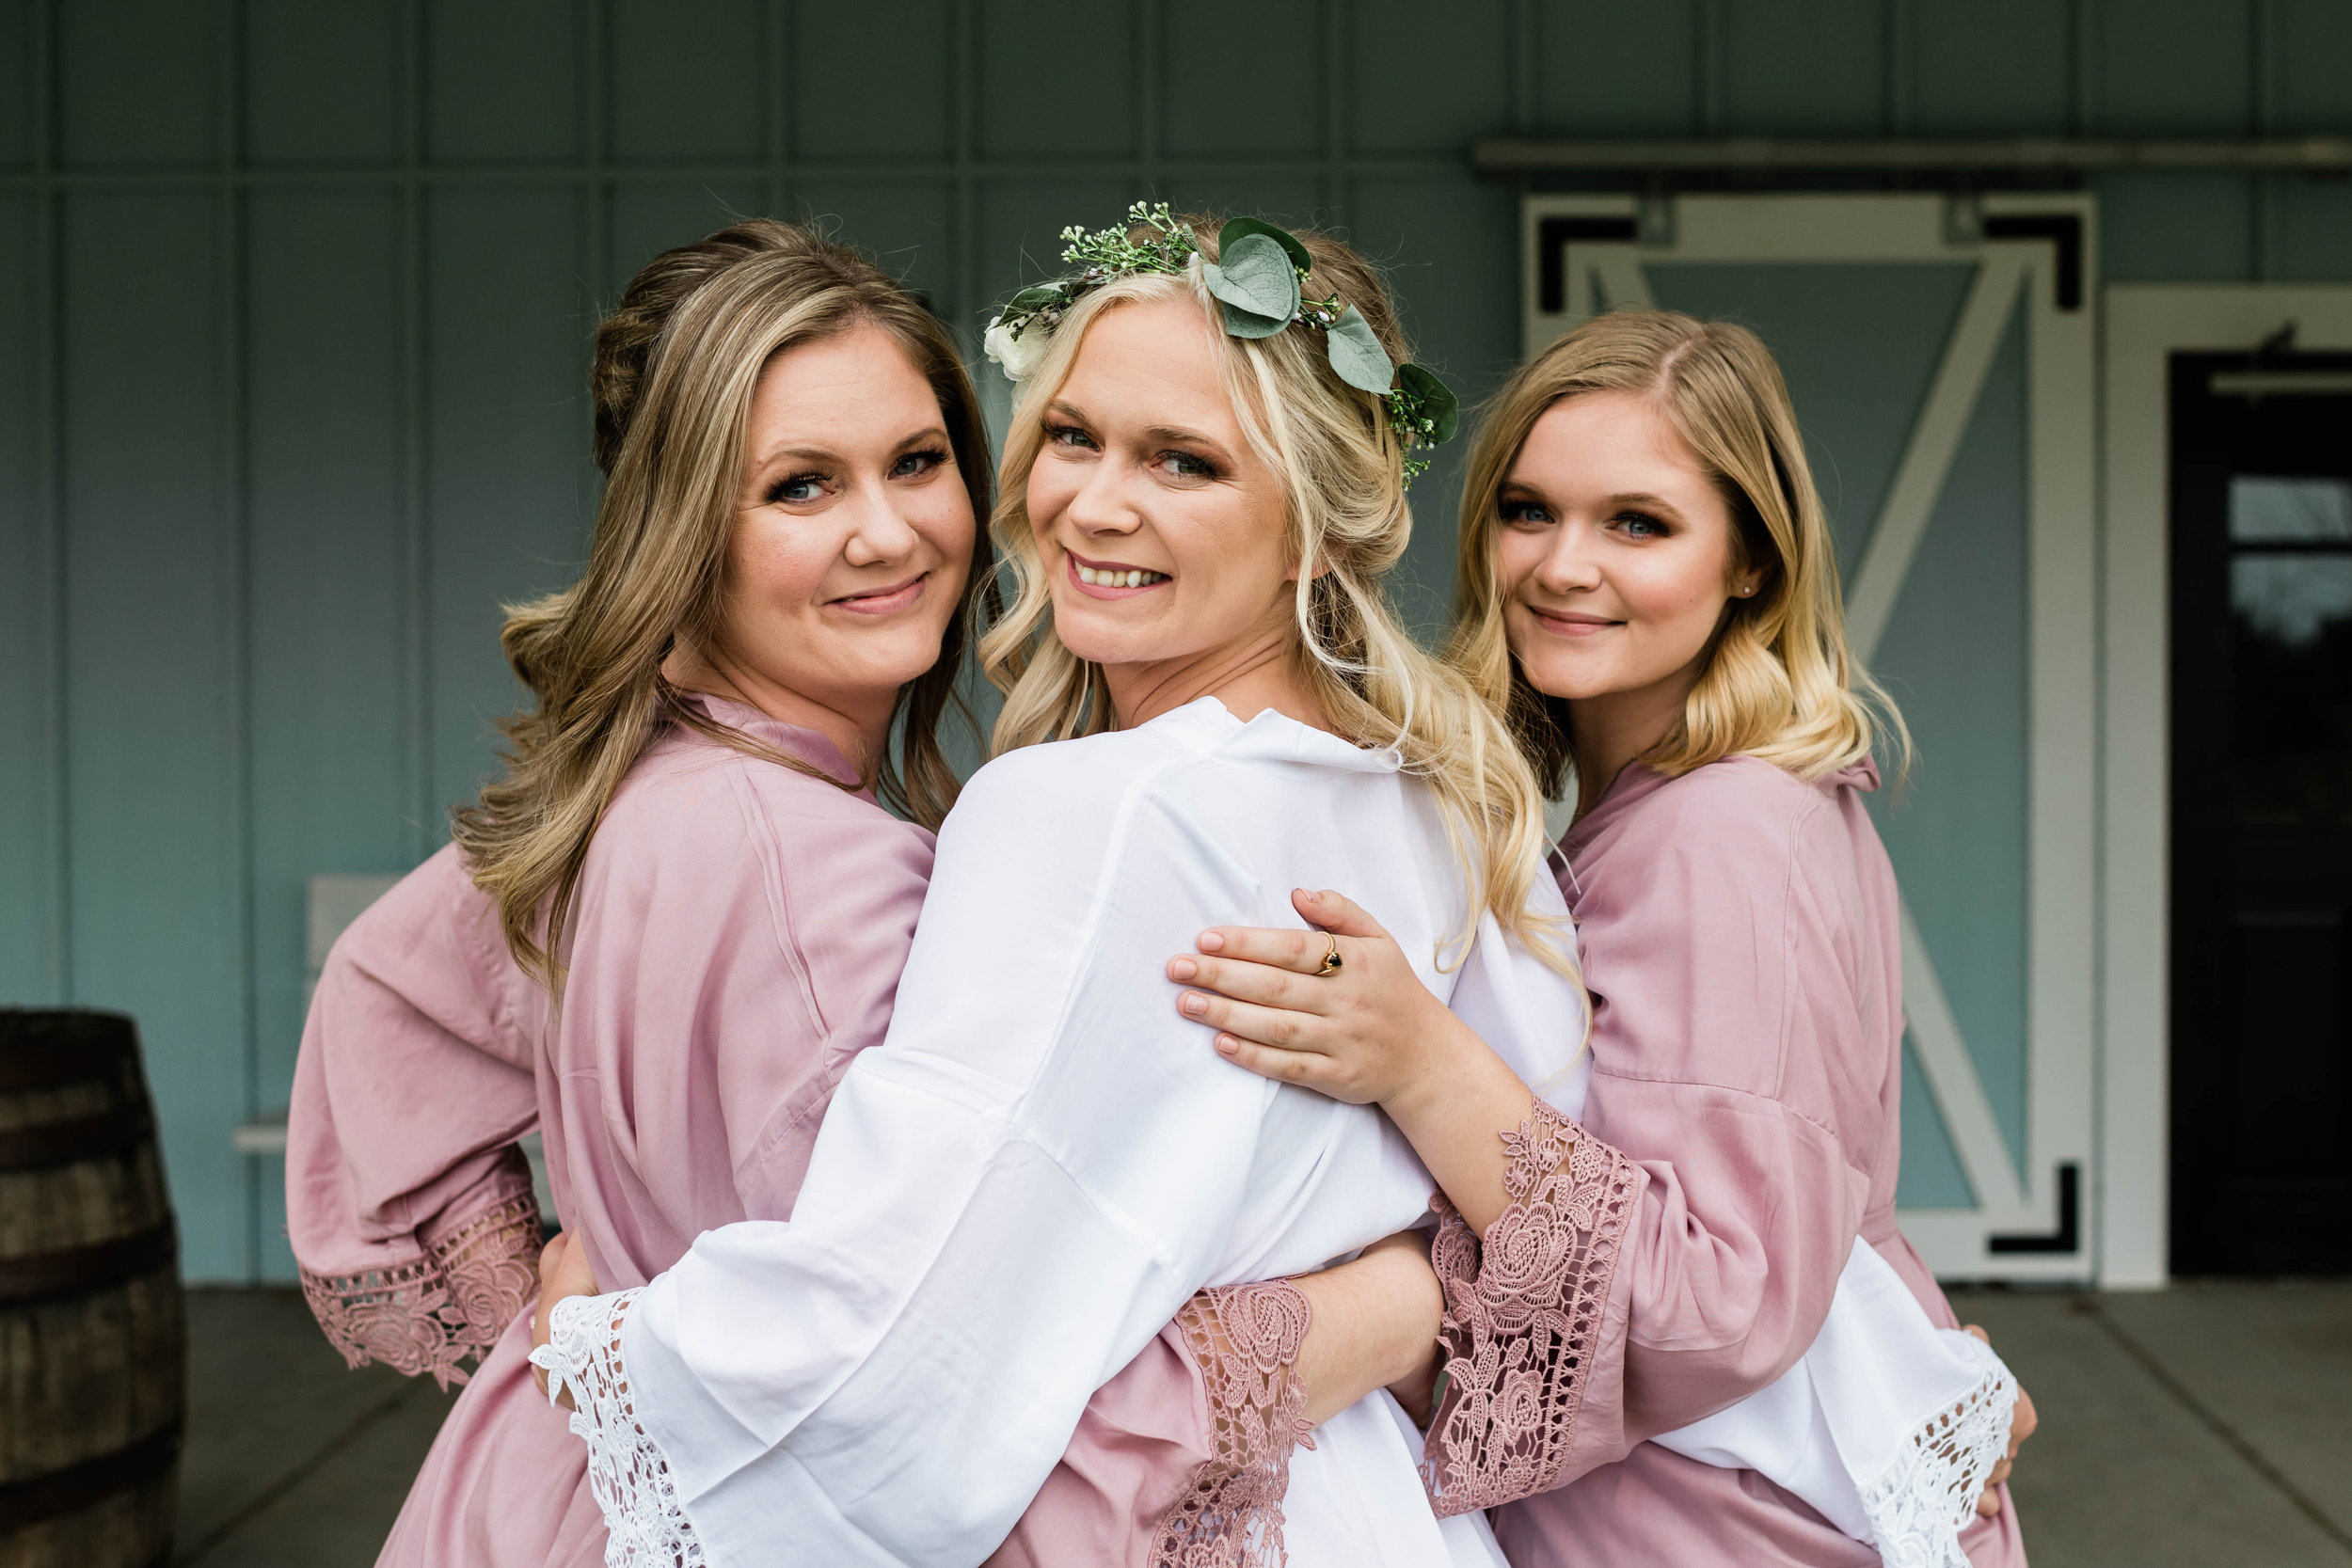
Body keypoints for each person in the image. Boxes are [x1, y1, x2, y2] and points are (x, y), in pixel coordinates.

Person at [283, 218, 1438, 1567]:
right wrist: (1395, 1302)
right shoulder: (836, 886)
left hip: (580, 1500)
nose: (886, 533)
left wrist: (580, 1317)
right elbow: (941, 1403)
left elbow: (380, 998)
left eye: (916, 462)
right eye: (800, 488)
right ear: (681, 533)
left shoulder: (624, 792)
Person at [526, 206, 1587, 1568]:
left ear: (1316, 527)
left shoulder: (1087, 814)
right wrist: (1398, 1300)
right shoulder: (1461, 806)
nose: (1093, 503)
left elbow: (900, 1355)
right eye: (1074, 435)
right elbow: (1544, 1241)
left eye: (1184, 462)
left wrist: (594, 1348)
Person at [1165, 309, 2037, 1567]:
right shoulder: (1699, 802)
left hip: (1726, 1529)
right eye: (1530, 511)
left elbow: (1711, 1304)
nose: (1564, 566)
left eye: (1639, 523)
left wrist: (1416, 1064)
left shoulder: (1726, 831)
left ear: (1753, 561)